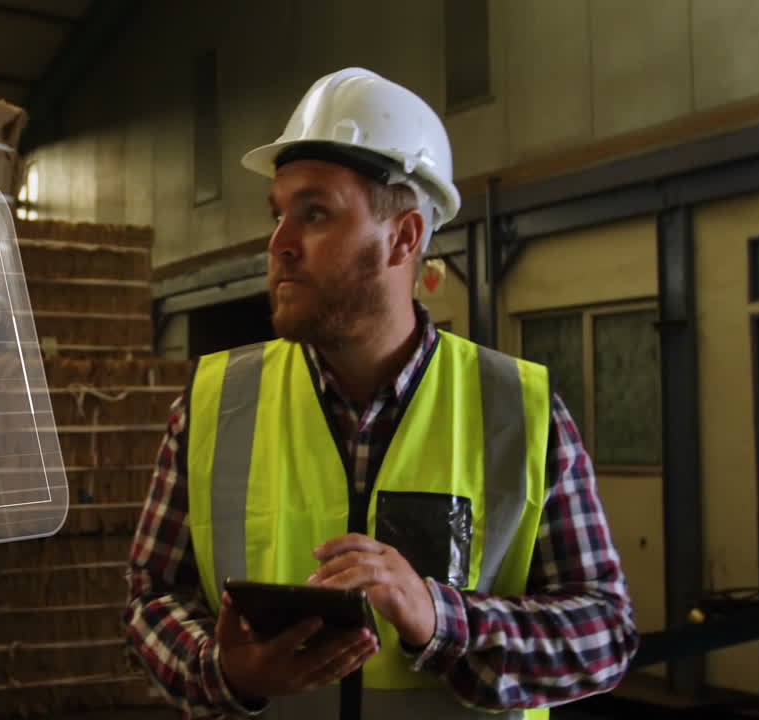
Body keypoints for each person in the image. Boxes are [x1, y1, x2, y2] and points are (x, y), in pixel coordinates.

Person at [124, 68, 639, 719]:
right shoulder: (212, 404)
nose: (279, 244)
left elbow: (605, 635)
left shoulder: (520, 412)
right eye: (278, 214)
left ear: (404, 238)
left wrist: (442, 621)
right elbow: (148, 601)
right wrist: (221, 668)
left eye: (314, 214)